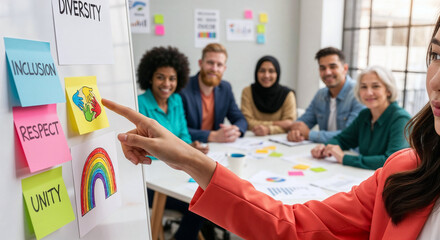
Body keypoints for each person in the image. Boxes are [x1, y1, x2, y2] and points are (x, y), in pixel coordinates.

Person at [102, 13, 440, 239]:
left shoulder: (238, 92)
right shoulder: (405, 170)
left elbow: (266, 121)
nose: (437, 81)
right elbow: (291, 224)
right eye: (436, 56)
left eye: (375, 88)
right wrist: (192, 158)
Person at [136, 46, 207, 240]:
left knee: (206, 199)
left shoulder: (176, 100)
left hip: (176, 175)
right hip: (151, 183)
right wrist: (178, 151)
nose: (167, 83)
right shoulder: (139, 104)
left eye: (172, 78)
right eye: (161, 77)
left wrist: (191, 147)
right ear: (150, 77)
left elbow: (183, 137)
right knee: (200, 204)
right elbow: (142, 149)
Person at [310, 66, 411, 170]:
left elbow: (392, 162)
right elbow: (343, 139)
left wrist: (344, 158)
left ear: (388, 91)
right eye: (364, 87)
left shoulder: (401, 119)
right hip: (364, 176)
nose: (368, 93)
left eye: (375, 86)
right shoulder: (365, 115)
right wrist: (325, 147)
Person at [287, 47, 365, 143]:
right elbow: (302, 122)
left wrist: (309, 134)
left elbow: (350, 135)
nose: (327, 72)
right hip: (325, 152)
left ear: (345, 69)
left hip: (350, 153)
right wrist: (296, 132)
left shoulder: (359, 93)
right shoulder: (321, 94)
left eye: (333, 67)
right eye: (322, 68)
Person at [179, 43, 248, 143]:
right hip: (191, 146)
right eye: (210, 63)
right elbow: (178, 129)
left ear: (224, 68)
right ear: (200, 63)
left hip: (216, 148)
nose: (214, 69)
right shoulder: (183, 88)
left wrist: (235, 130)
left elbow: (240, 119)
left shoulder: (225, 88)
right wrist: (212, 135)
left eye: (219, 65)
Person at [241, 55, 297, 136]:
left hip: (280, 141)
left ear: (277, 73)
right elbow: (247, 122)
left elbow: (289, 124)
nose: (266, 75)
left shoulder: (288, 94)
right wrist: (276, 123)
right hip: (251, 138)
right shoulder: (247, 92)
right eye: (262, 71)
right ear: (256, 72)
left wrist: (268, 130)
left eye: (271, 71)